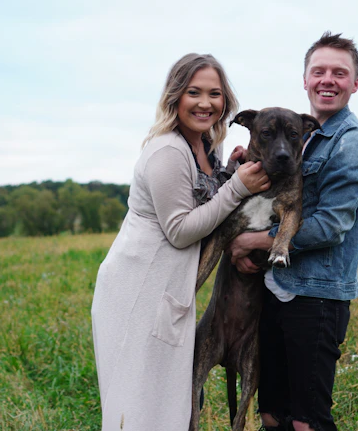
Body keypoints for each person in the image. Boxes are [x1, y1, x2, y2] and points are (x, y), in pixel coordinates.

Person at [91, 53, 270, 430]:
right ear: (175, 97)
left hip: (167, 290)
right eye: (194, 92)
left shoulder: (205, 144)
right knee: (138, 406)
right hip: (138, 292)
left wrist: (230, 172)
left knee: (168, 405)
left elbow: (207, 200)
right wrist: (237, 187)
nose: (205, 103)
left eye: (215, 94)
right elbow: (181, 230)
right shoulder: (168, 151)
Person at [228, 32, 358, 431]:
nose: (328, 79)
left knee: (306, 422)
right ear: (306, 79)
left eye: (340, 73)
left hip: (317, 297)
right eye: (319, 71)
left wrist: (253, 242)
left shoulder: (351, 143)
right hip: (277, 290)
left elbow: (331, 226)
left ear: (355, 84)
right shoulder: (301, 137)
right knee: (272, 415)